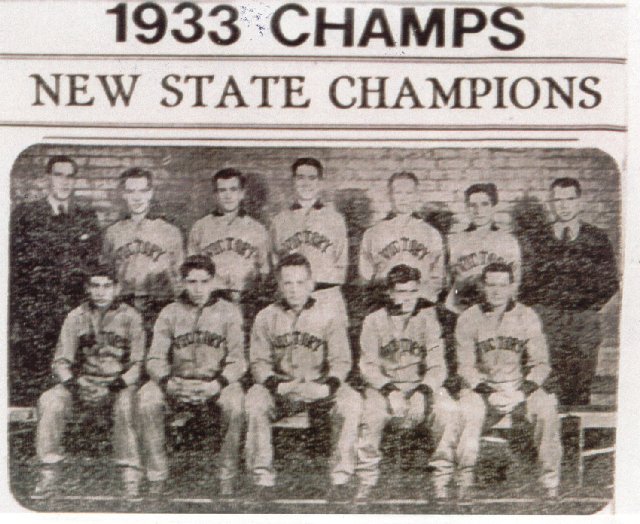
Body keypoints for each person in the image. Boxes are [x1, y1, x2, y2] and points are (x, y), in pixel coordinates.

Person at [356, 264, 484, 500]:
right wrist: (390, 391)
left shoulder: (428, 319)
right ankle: (366, 481)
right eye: (402, 292)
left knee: (448, 409)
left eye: (413, 292)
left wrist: (422, 392)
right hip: (384, 386)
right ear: (390, 293)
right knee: (371, 413)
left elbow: (438, 366)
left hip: (420, 384)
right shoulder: (373, 321)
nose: (408, 299)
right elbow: (368, 366)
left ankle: (441, 479)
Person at [246, 253, 361, 496]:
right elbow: (258, 362)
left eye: (300, 283)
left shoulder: (330, 314)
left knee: (351, 401)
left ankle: (341, 477)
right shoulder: (266, 316)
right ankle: (262, 477)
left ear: (311, 284)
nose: (294, 290)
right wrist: (277, 386)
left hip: (318, 387)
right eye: (288, 283)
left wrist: (326, 387)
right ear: (279, 285)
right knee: (255, 399)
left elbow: (341, 361)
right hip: (281, 389)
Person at [33, 263, 145, 499]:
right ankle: (49, 472)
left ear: (117, 288)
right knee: (50, 400)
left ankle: (129, 474)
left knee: (127, 405)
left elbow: (138, 364)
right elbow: (61, 361)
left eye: (106, 286)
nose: (101, 292)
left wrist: (115, 386)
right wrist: (74, 385)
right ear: (88, 288)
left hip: (118, 385)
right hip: (82, 385)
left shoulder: (131, 317)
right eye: (95, 286)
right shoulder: (76, 316)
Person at [137, 255, 246, 496]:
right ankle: (157, 475)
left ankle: (226, 476)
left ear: (213, 281)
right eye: (192, 282)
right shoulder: (169, 312)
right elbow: (155, 358)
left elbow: (238, 360)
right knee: (147, 397)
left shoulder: (229, 312)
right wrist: (167, 382)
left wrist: (218, 383)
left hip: (215, 383)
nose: (198, 289)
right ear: (183, 282)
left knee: (235, 403)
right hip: (177, 382)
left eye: (204, 282)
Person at [456, 262, 562, 498]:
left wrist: (520, 393)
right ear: (482, 286)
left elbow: (541, 364)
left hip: (518, 385)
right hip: (481, 387)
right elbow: (465, 366)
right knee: (466, 411)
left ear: (512, 287)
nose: (496, 291)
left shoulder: (527, 315)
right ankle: (463, 483)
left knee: (546, 408)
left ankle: (550, 485)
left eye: (502, 285)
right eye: (491, 285)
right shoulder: (468, 318)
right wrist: (488, 392)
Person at [10, 155, 101, 404]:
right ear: (47, 179)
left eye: (70, 176)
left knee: (72, 373)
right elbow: (14, 268)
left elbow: (91, 267)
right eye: (58, 175)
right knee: (36, 377)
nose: (64, 182)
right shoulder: (26, 215)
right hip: (36, 313)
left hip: (72, 311)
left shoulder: (85, 216)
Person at [521, 177, 618, 405]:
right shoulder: (538, 238)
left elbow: (610, 282)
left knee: (580, 382)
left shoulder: (596, 238)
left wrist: (584, 308)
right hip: (548, 319)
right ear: (551, 203)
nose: (564, 205)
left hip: (583, 321)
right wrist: (545, 309)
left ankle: (574, 439)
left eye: (569, 199)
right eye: (558, 200)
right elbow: (526, 283)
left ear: (579, 202)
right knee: (547, 381)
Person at [102, 168, 184, 335]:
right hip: (125, 303)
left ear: (151, 193)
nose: (137, 197)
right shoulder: (113, 232)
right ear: (123, 194)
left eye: (142, 190)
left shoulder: (170, 231)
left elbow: (180, 275)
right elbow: (106, 272)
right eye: (131, 191)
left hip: (159, 302)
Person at [270, 157, 349, 321]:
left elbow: (341, 263)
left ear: (320, 183)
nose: (306, 183)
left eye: (312, 178)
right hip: (292, 298)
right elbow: (275, 262)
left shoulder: (335, 219)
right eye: (300, 178)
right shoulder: (279, 221)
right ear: (293, 181)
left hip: (326, 295)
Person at [359, 171, 444, 304]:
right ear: (390, 195)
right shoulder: (373, 233)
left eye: (409, 193)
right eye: (398, 193)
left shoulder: (431, 233)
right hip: (385, 303)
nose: (403, 198)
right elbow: (366, 276)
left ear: (416, 195)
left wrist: (422, 299)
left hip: (420, 303)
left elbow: (438, 276)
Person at [188, 168, 270, 299]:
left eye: (233, 189)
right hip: (211, 298)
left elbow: (264, 269)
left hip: (245, 297)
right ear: (215, 195)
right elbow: (190, 270)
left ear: (242, 193)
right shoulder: (200, 227)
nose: (228, 196)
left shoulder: (257, 229)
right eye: (222, 190)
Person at [446, 183, 521, 314]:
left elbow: (515, 284)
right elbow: (448, 283)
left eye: (484, 204)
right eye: (473, 205)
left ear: (494, 207)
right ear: (467, 208)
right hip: (462, 309)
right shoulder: (454, 241)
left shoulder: (508, 241)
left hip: (497, 310)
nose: (478, 211)